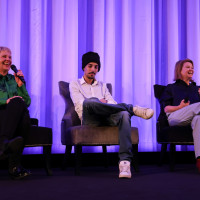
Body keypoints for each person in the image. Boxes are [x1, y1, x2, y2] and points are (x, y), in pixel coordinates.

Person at [70, 51, 154, 178]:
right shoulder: (74, 84)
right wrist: (98, 101)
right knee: (90, 102)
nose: (93, 69)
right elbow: (80, 103)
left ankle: (125, 163)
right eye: (90, 66)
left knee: (124, 114)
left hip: (107, 117)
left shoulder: (103, 86)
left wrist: (104, 104)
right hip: (89, 119)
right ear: (84, 67)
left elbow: (113, 103)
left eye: (96, 67)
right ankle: (133, 109)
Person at [161, 58, 200, 172]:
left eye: (192, 67)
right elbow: (166, 109)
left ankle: (199, 160)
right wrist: (180, 107)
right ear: (179, 70)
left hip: (193, 119)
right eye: (187, 67)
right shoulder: (171, 88)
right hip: (176, 117)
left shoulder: (197, 89)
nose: (191, 69)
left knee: (199, 119)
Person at [0, 46, 31, 179]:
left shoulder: (13, 80)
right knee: (19, 109)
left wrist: (20, 85)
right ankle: (14, 166)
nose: (8, 59)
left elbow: (27, 101)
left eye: (10, 57)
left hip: (12, 116)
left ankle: (4, 144)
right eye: (4, 56)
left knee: (23, 114)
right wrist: (6, 101)